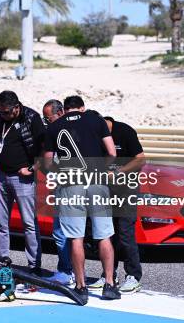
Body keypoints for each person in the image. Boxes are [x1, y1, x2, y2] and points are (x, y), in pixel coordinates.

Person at [43, 95, 121, 304]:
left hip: (70, 183)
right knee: (104, 235)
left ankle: (80, 286)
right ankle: (110, 285)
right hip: (96, 179)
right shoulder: (96, 120)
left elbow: (49, 163)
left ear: (64, 110)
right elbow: (112, 152)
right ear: (82, 108)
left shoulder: (54, 127)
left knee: (75, 237)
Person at [0, 90, 43, 274]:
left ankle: (34, 264)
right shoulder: (0, 119)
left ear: (16, 107)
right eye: (0, 111)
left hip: (23, 178)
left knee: (29, 223)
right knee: (1, 222)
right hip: (1, 175)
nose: (2, 115)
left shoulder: (31, 118)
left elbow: (46, 149)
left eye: (5, 112)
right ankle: (3, 258)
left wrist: (31, 169)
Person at [87, 116, 145, 293]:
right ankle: (109, 275)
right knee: (106, 234)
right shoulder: (95, 135)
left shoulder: (125, 131)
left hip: (127, 189)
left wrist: (119, 172)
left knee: (125, 233)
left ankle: (133, 276)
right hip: (105, 190)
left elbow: (140, 159)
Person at [42, 99, 74, 286]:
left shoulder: (55, 131)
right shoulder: (81, 128)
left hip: (67, 187)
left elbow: (47, 163)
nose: (47, 123)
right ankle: (72, 271)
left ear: (60, 112)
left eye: (48, 118)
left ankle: (65, 271)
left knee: (61, 231)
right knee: (72, 232)